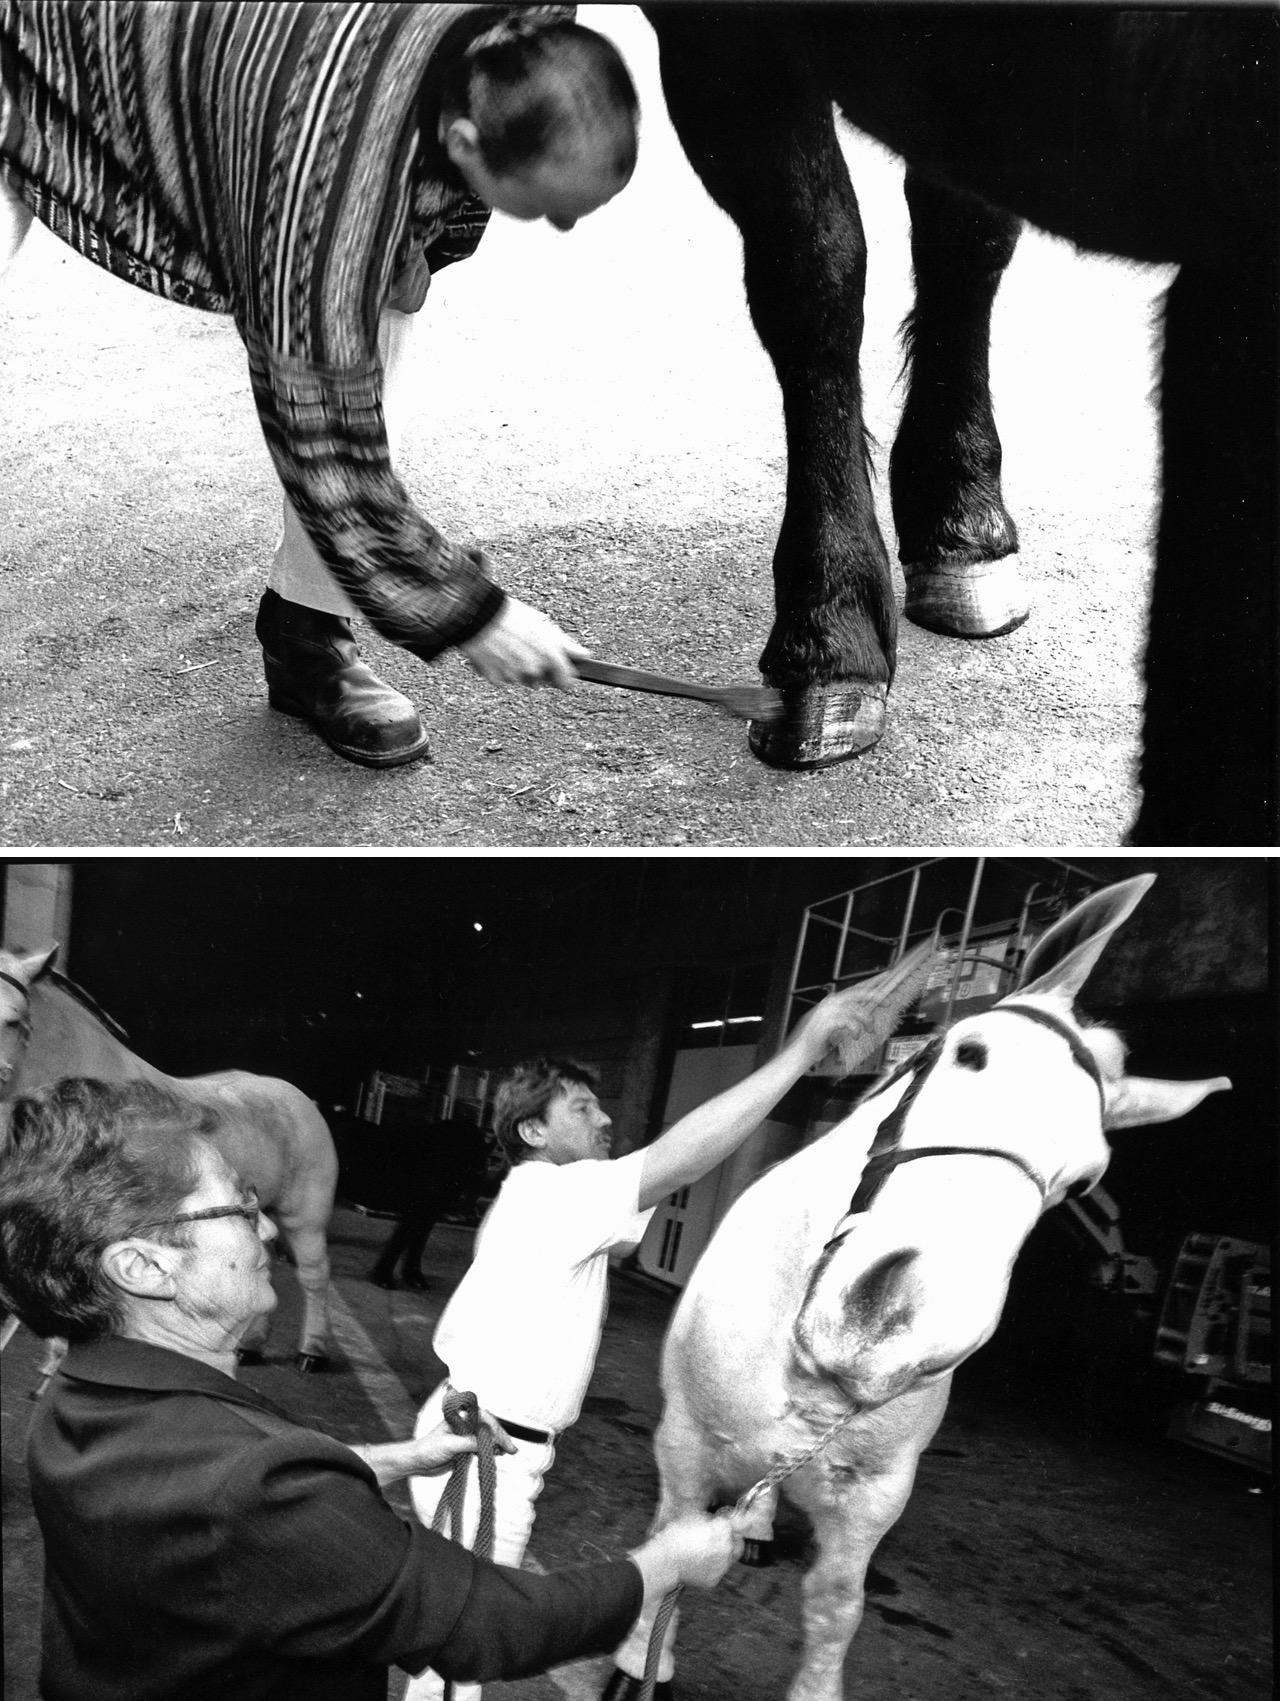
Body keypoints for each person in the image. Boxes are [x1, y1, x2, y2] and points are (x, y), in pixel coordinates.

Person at [0, 4, 636, 767]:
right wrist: (474, 615)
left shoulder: (517, 28)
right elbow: (319, 420)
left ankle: (306, 627)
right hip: (39, 36)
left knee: (380, 288)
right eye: (552, 208)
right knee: (335, 322)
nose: (563, 227)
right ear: (465, 140)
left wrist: (420, 236)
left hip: (282, 67)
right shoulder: (329, 175)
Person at [0, 1077, 743, 1701]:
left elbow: (207, 1495)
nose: (267, 1233)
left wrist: (395, 1457)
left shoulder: (77, 1395)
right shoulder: (251, 1485)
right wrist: (663, 1566)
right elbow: (487, 1624)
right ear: (142, 1266)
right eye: (242, 1207)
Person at [405, 978, 904, 1701]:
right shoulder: (552, 1195)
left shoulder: (543, 1202)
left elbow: (630, 1230)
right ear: (533, 1133)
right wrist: (800, 1052)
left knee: (451, 1650)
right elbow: (683, 1158)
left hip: (487, 1438)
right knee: (463, 1655)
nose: (605, 1117)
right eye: (581, 1108)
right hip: (486, 1456)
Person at [371, 1115, 493, 1290]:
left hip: (442, 1176)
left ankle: (401, 1269)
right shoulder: (467, 1143)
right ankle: (394, 1269)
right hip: (438, 1180)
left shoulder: (462, 1141)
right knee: (417, 1222)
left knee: (420, 1223)